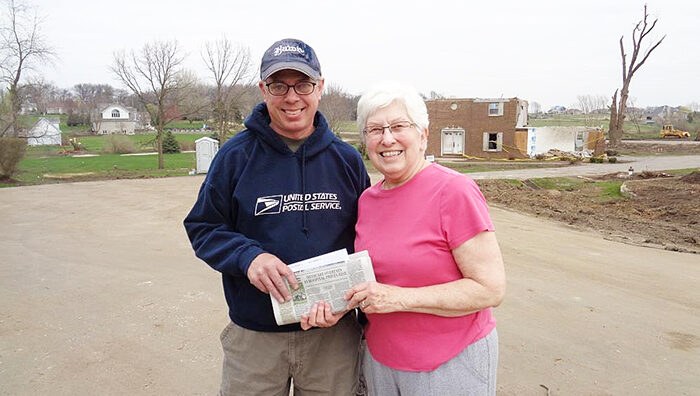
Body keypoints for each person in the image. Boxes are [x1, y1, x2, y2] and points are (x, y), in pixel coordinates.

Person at [183, 38, 370, 396]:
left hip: (332, 337)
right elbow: (204, 227)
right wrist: (248, 257)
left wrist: (350, 303)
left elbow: (369, 237)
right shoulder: (234, 157)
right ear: (262, 89)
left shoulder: (347, 161)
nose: (291, 97)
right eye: (278, 85)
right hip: (255, 337)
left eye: (303, 84)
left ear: (320, 87)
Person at [346, 82, 506, 395]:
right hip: (381, 361)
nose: (387, 138)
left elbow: (490, 288)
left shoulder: (454, 191)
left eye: (398, 126)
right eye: (375, 129)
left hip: (450, 361)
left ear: (423, 135)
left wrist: (399, 298)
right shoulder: (367, 200)